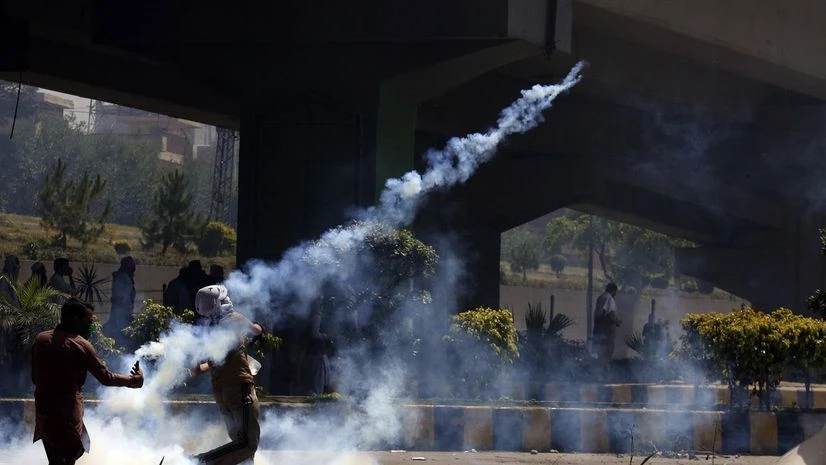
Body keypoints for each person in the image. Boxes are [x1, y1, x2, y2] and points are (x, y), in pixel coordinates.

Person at [31, 297, 144, 465]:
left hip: (44, 411)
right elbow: (106, 377)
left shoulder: (40, 340)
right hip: (68, 413)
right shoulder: (81, 344)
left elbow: (35, 377)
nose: (91, 325)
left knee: (55, 459)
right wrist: (134, 381)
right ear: (76, 320)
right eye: (89, 321)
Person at [189, 285, 264, 465]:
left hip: (222, 393)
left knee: (240, 450)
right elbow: (256, 330)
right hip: (239, 387)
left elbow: (199, 369)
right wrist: (259, 326)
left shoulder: (209, 329)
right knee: (247, 443)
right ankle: (198, 462)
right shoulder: (232, 318)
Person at [104, 256, 137, 349]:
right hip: (121, 313)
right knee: (120, 336)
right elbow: (121, 297)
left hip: (122, 312)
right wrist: (127, 313)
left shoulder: (123, 277)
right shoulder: (123, 278)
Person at [303, 298, 331, 396]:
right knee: (317, 382)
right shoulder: (316, 315)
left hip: (313, 352)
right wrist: (326, 336)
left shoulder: (310, 315)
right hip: (316, 352)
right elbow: (314, 334)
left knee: (315, 381)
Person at [592, 282, 622, 368]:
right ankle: (605, 371)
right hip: (606, 330)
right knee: (607, 351)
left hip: (598, 328)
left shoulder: (601, 297)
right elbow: (609, 313)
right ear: (613, 291)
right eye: (615, 292)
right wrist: (617, 322)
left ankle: (598, 372)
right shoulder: (609, 298)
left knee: (599, 351)